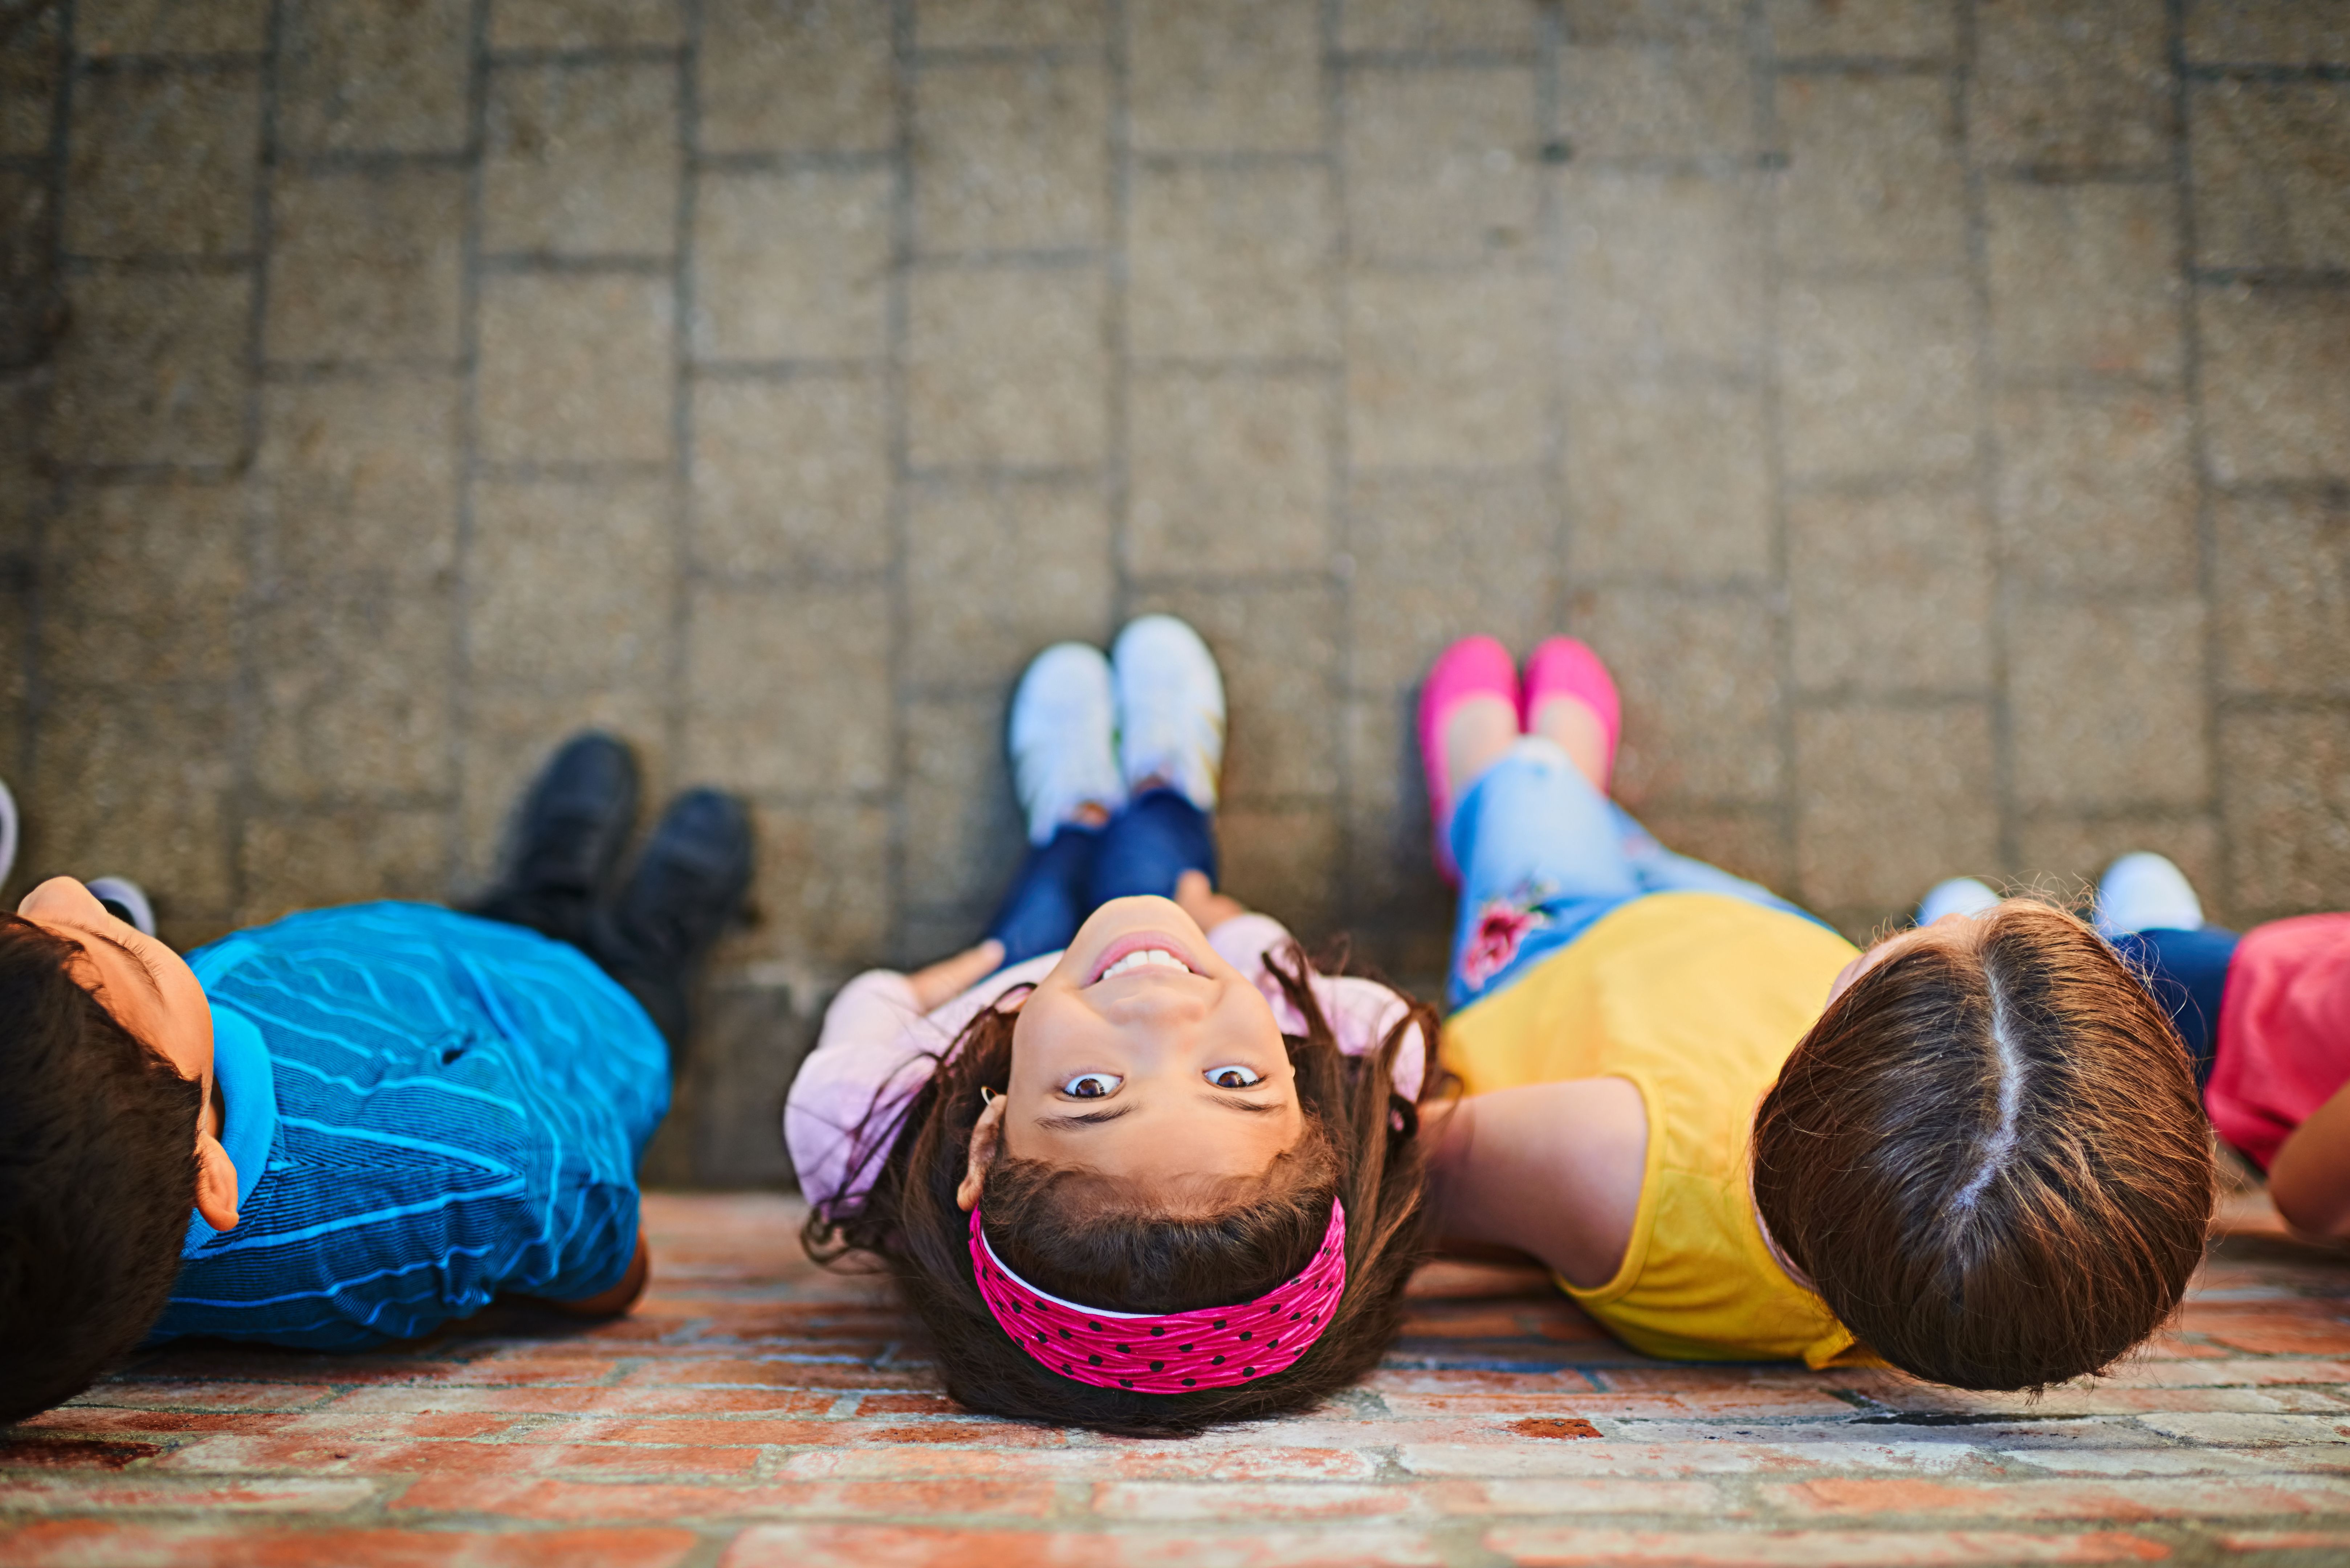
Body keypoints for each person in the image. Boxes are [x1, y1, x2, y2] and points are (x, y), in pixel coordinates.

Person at [1415, 634, 2213, 1392]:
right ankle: (1587, 822)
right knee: (1635, 854)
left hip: (1555, 954)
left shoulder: (1616, 1158)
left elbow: (1422, 1165)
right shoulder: (1937, 1277)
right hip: (1729, 943)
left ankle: (1495, 788)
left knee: (1532, 788)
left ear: (1816, 1059)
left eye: (1914, 949)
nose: (1942, 922)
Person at [789, 616, 1438, 1436]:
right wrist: (1220, 921)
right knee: (1159, 866)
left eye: (1091, 1090)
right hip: (1158, 942)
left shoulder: (862, 1123)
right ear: (1311, 1109)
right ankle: (1167, 788)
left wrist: (948, 976)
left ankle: (1070, 818)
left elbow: (865, 1020)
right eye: (1233, 1081)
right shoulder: (1361, 1046)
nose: (1161, 1009)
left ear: (986, 1144)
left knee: (1047, 892)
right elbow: (1268, 956)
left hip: (1010, 980)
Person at [0, 733, 750, 1423]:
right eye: (126, 952)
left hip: (419, 971)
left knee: (510, 920)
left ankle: (549, 892)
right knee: (636, 981)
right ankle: (655, 934)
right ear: (211, 1174)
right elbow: (597, 1234)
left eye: (27, 925)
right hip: (586, 1032)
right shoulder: (458, 1165)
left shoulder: (78, 1282)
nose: (59, 888)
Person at [1924, 855, 2350, 1242]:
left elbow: (2302, 1198)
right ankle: (2146, 938)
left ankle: (2136, 942)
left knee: (2112, 952)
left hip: (2255, 1017)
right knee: (2148, 938)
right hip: (2268, 1001)